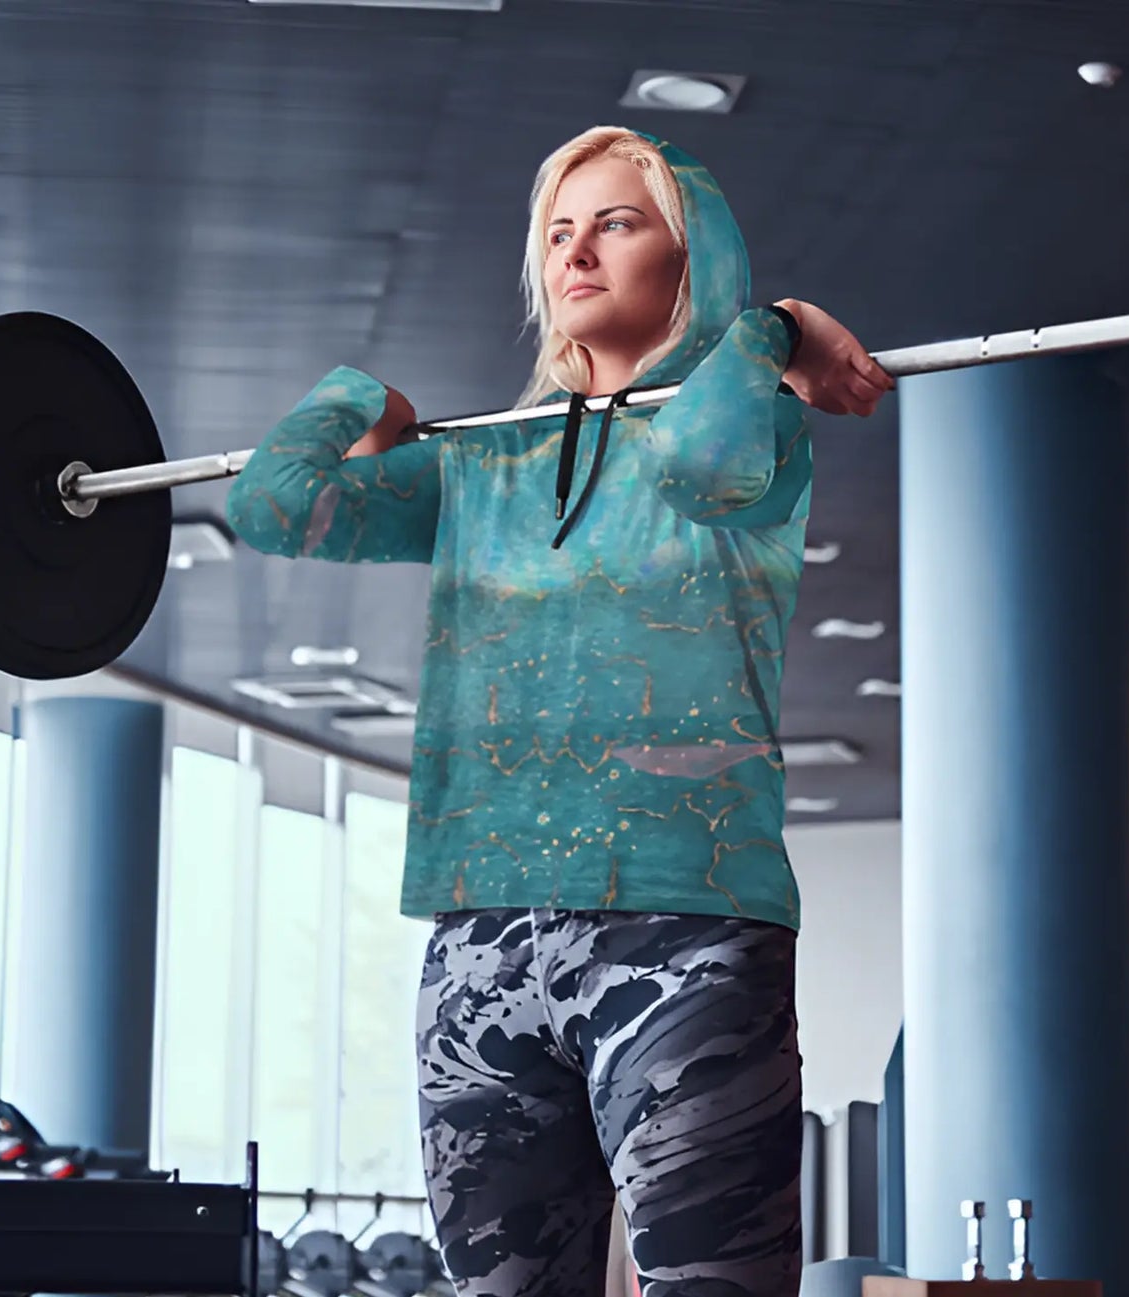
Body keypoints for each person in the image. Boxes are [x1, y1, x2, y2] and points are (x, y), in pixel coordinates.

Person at [224, 125, 894, 1297]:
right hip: (480, 947)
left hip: (684, 936)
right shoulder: (479, 467)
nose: (575, 252)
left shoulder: (756, 424)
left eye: (616, 223)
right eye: (556, 232)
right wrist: (358, 393)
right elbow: (275, 507)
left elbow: (697, 462)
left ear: (690, 261)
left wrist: (770, 327)